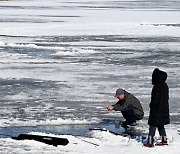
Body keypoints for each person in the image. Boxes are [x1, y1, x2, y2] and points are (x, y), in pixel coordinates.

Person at [144, 68, 170, 147]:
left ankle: (150, 142)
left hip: (157, 109)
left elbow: (156, 99)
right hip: (164, 108)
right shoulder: (165, 85)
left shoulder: (157, 86)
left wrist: (152, 105)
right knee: (160, 124)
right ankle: (164, 140)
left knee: (152, 125)